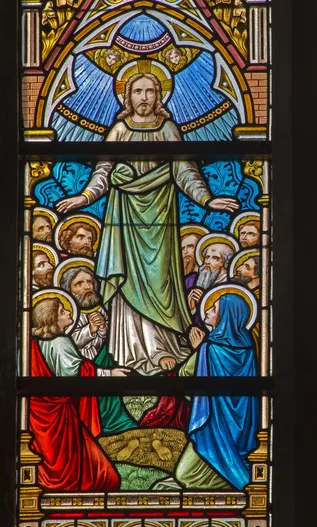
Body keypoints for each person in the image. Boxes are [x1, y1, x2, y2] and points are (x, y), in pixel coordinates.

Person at [56, 72, 239, 376]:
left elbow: (185, 171)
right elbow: (103, 171)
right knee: (125, 282)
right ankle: (131, 355)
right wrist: (84, 198)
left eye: (150, 91)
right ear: (127, 97)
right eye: (138, 92)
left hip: (161, 221)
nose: (144, 98)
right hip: (124, 219)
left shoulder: (168, 129)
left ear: (160, 96)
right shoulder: (118, 130)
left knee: (162, 283)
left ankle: (164, 348)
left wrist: (207, 200)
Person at [158, 290, 260, 490]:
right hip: (245, 427)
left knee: (183, 475)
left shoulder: (210, 349)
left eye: (213, 309)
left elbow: (185, 379)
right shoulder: (248, 350)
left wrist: (198, 350)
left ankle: (231, 479)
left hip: (212, 425)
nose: (207, 311)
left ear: (225, 318)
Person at [29, 294, 128, 491]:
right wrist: (110, 373)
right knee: (98, 474)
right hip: (59, 418)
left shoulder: (34, 344)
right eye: (62, 311)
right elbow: (77, 374)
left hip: (38, 417)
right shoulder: (60, 343)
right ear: (52, 319)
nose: (68, 312)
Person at [60, 264, 137, 435]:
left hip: (99, 361)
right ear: (68, 290)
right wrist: (90, 330)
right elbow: (69, 344)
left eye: (89, 282)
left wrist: (102, 330)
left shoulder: (101, 309)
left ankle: (115, 423)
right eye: (79, 284)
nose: (87, 287)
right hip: (79, 370)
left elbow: (103, 341)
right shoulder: (66, 315)